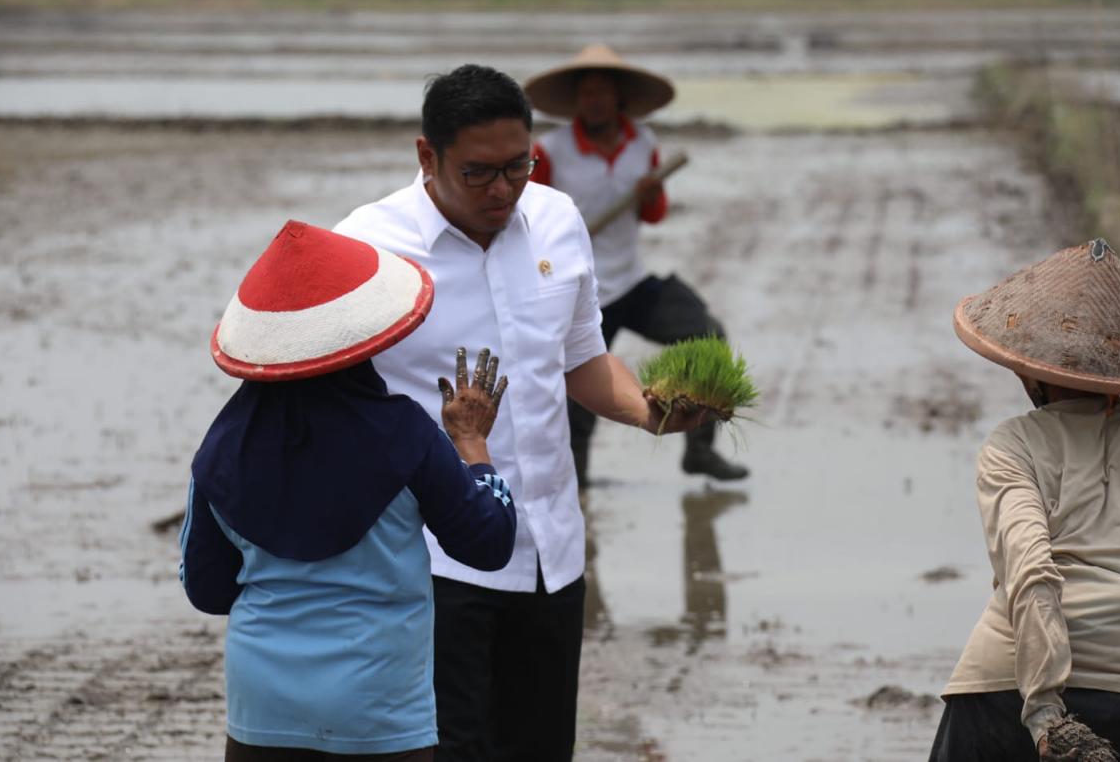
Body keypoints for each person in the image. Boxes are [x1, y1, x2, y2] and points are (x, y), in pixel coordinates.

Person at [334, 64, 712, 762]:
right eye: (479, 173)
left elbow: (583, 360)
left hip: (550, 552)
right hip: (431, 564)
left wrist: (648, 410)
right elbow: (328, 405)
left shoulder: (557, 220)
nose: (504, 190)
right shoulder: (369, 249)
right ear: (427, 156)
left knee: (540, 747)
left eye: (520, 165)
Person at [179, 219, 517, 761]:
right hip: (380, 712)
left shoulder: (220, 451)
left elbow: (207, 591)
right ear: (360, 345)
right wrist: (473, 445)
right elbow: (489, 543)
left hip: (262, 715)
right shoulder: (406, 435)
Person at [930, 238, 1120, 762]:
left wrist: (1047, 714)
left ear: (1031, 374)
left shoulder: (1013, 443)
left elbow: (1030, 570)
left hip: (1005, 689)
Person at [524, 44, 748, 485]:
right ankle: (576, 488)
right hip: (578, 291)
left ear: (618, 97)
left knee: (708, 335)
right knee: (576, 400)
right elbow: (529, 219)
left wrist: (650, 195)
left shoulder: (641, 142)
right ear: (575, 100)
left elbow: (653, 215)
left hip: (630, 281)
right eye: (586, 92)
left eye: (602, 91)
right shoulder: (550, 151)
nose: (594, 100)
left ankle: (699, 451)